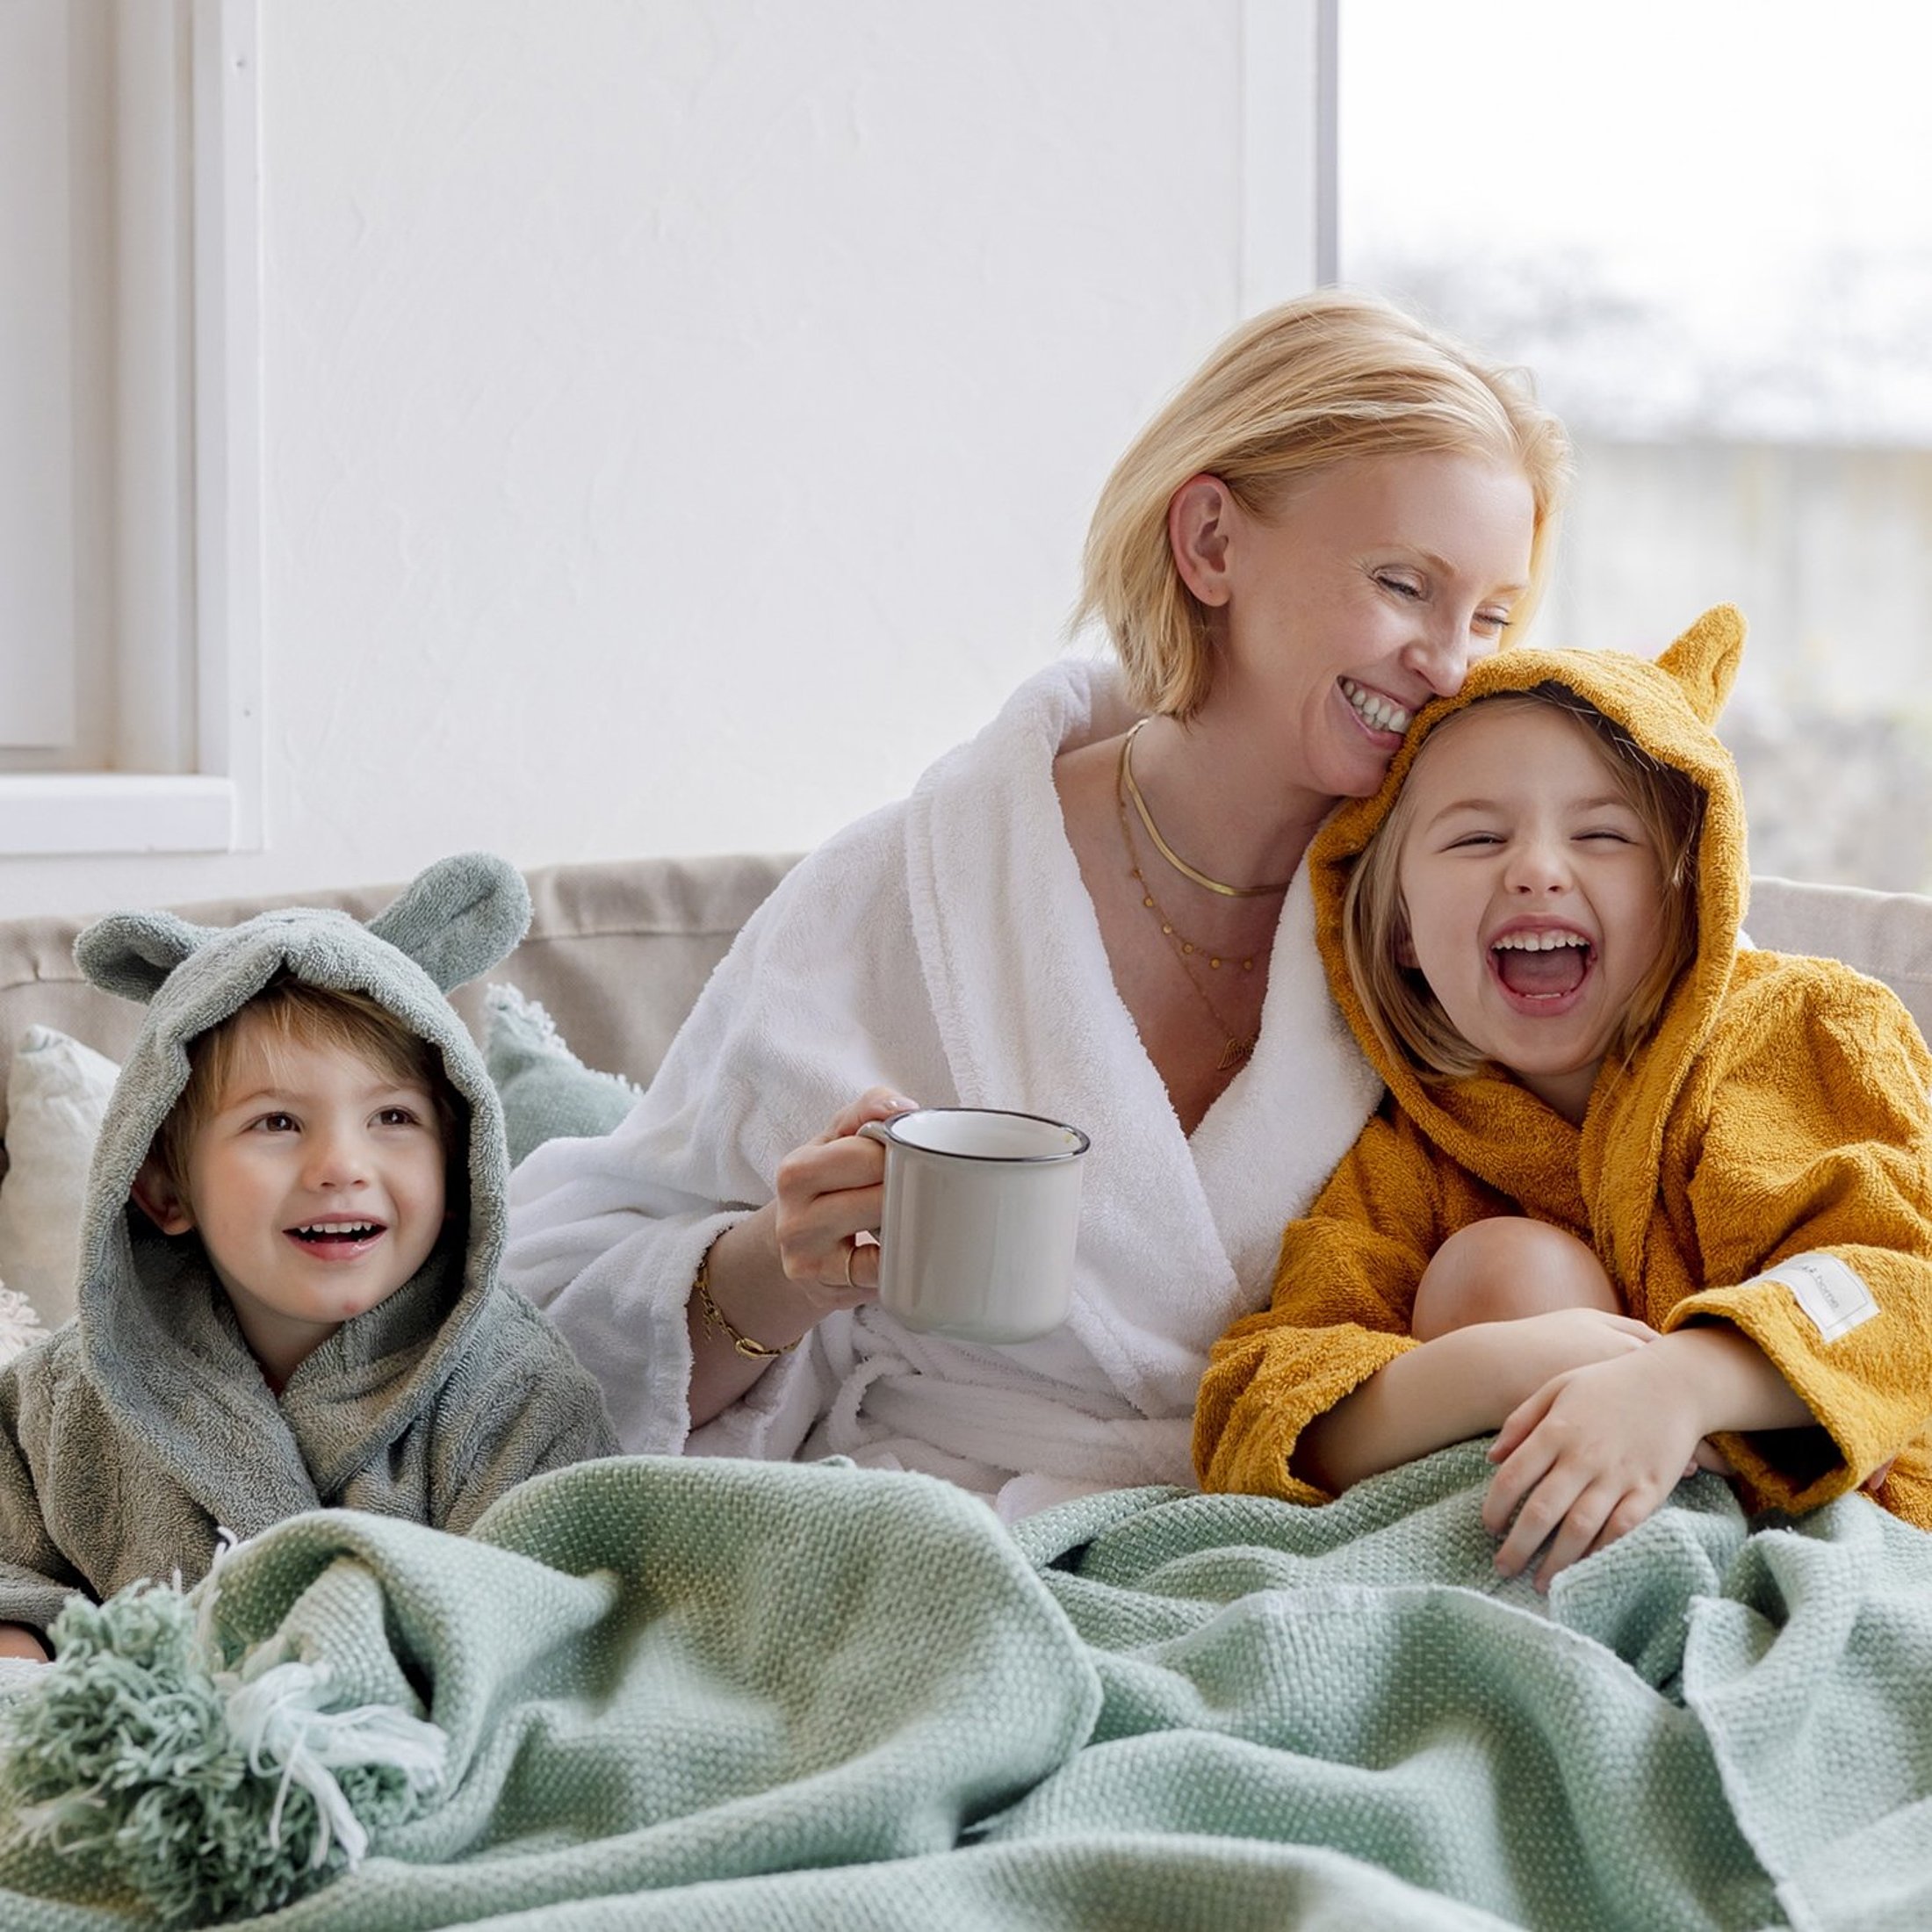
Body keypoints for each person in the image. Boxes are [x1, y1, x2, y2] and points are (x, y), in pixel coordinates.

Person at [504, 290, 1572, 1518]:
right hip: (925, 1520)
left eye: (1491, 616)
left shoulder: (1475, 904)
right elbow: (543, 1363)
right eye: (1402, 584)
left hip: (1313, 1526)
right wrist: (776, 1274)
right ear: (1211, 544)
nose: (1449, 662)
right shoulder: (912, 888)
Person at [1194, 608, 1932, 1585]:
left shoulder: (1800, 1031)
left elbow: (1896, 1285)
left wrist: (1683, 1384)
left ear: (1688, 888)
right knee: (1501, 1270)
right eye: (1476, 837)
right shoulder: (1417, 1145)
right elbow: (1259, 1414)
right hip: (1529, 1568)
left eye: (1602, 833)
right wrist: (1513, 1366)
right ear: (1401, 925)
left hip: (1818, 1541)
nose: (1539, 870)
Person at [0, 854, 617, 1662]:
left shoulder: (518, 1394)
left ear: (458, 1168)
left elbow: (565, 1632)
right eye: (278, 1123)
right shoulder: (66, 1398)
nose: (341, 1166)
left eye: (393, 1117)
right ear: (163, 1190)